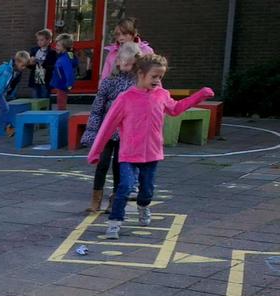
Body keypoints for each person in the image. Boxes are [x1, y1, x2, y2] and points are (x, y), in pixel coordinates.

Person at [88, 54, 213, 240]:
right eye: (154, 76)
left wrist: (200, 96)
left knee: (147, 191)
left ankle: (143, 206)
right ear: (140, 73)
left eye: (160, 77)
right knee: (124, 187)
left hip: (152, 153)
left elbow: (176, 109)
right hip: (129, 153)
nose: (157, 80)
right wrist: (95, 152)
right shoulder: (125, 98)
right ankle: (114, 222)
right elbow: (108, 126)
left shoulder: (162, 95)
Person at [81, 42, 141, 213]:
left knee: (118, 166)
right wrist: (92, 132)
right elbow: (97, 109)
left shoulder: (138, 83)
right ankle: (95, 200)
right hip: (106, 131)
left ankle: (115, 199)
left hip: (125, 133)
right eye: (125, 63)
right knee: (102, 164)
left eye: (131, 64)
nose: (128, 67)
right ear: (118, 61)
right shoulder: (109, 82)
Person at [100, 17, 153, 82]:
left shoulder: (146, 51)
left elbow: (153, 74)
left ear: (134, 34)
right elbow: (104, 77)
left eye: (124, 34)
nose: (120, 38)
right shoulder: (113, 52)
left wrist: (158, 91)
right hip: (116, 90)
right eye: (118, 35)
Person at [27, 29, 57, 101]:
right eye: (38, 40)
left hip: (45, 78)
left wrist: (43, 65)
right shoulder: (34, 50)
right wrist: (30, 62)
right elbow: (29, 65)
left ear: (49, 40)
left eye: (41, 40)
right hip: (35, 77)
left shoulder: (52, 52)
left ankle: (46, 112)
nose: (39, 42)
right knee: (35, 98)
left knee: (45, 98)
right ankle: (35, 112)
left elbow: (53, 66)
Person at [51, 34, 76, 111]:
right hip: (61, 84)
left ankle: (61, 121)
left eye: (58, 45)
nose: (56, 47)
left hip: (63, 84)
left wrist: (69, 84)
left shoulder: (64, 59)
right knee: (61, 103)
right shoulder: (64, 57)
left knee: (61, 105)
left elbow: (69, 73)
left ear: (64, 47)